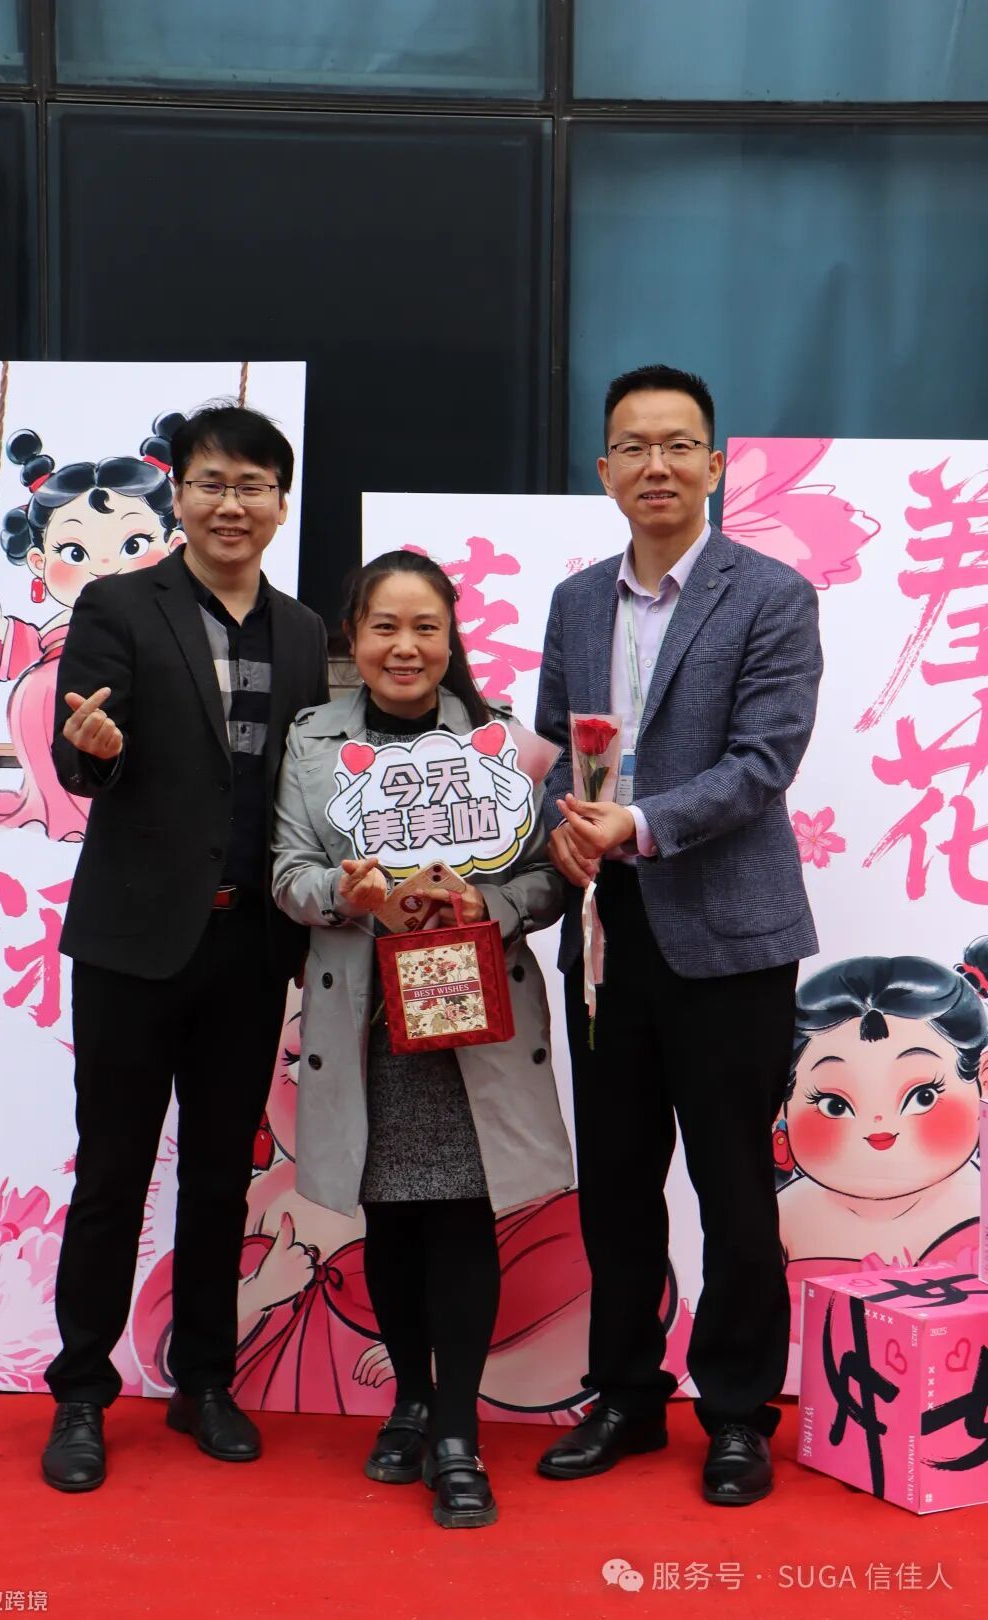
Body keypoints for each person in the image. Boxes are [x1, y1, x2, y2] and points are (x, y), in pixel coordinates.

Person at [534, 363, 822, 1505]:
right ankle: (624, 1396)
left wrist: (640, 824)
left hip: (730, 939)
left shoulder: (771, 595)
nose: (656, 465)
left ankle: (739, 1412)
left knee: (733, 1184)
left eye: (678, 444)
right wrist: (560, 835)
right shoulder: (574, 603)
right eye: (634, 447)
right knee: (615, 1181)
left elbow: (763, 762)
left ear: (715, 463)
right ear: (605, 469)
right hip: (607, 941)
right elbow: (554, 751)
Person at [40, 403, 329, 1491]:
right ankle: (80, 1394)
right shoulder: (120, 603)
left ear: (280, 503)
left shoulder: (302, 631)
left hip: (249, 944)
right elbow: (84, 751)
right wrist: (95, 749)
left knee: (218, 1180)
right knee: (111, 1173)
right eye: (213, 482)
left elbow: (304, 780)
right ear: (182, 496)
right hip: (133, 944)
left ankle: (204, 1381)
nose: (231, 504)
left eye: (254, 485)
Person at [270, 549, 575, 1529]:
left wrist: (486, 902)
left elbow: (550, 876)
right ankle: (408, 1400)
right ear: (352, 639)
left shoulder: (503, 745)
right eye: (385, 628)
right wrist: (344, 891)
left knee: (462, 1219)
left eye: (425, 628)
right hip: (366, 1020)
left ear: (451, 639)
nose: (405, 648)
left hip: (471, 1018)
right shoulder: (313, 741)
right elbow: (287, 873)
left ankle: (455, 1429)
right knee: (392, 1221)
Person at [0, 418, 180, 841]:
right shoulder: (64, 622)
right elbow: (30, 648)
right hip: (46, 707)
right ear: (39, 562)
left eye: (133, 545)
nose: (104, 564)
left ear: (173, 546)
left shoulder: (163, 615)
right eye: (74, 551)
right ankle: (57, 813)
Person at [778, 942, 985, 1280]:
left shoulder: (979, 1200)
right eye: (834, 1104)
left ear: (982, 1079)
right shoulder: (784, 1217)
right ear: (784, 1104)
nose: (879, 1126)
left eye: (923, 1096)